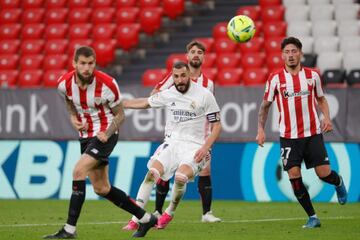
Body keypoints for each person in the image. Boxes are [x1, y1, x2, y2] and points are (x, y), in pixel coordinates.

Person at [43, 46, 156, 239]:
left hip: (106, 133)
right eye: (83, 63)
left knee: (78, 171)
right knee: (102, 188)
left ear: (95, 63)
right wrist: (73, 118)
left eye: (90, 63)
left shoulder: (107, 84)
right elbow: (68, 102)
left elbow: (120, 115)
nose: (87, 68)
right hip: (86, 135)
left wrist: (107, 132)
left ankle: (69, 230)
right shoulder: (64, 84)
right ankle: (145, 218)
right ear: (74, 64)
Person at [126, 41, 220, 230]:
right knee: (155, 174)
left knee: (182, 177)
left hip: (196, 142)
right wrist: (121, 104)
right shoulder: (171, 86)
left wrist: (206, 146)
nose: (179, 80)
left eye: (182, 76)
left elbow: (216, 122)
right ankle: (140, 217)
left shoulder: (206, 89)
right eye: (176, 76)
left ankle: (177, 212)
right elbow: (149, 100)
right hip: (172, 139)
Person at [256, 37, 347, 228]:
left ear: (300, 53)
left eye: (294, 51)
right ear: (282, 55)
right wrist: (260, 130)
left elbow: (321, 99)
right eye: (287, 52)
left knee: (323, 174)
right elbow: (265, 106)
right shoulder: (275, 78)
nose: (290, 55)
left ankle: (338, 181)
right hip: (289, 137)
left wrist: (327, 118)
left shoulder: (313, 76)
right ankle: (313, 217)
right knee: (294, 177)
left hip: (312, 133)